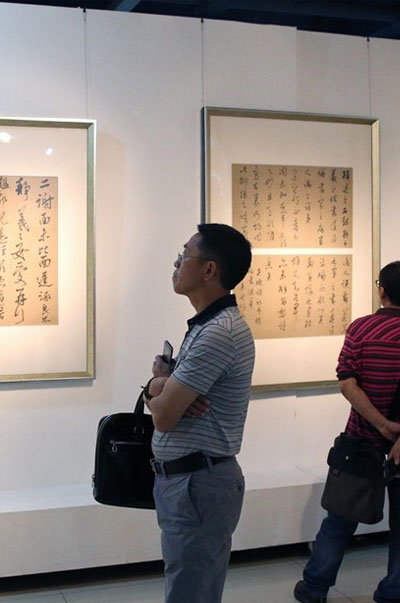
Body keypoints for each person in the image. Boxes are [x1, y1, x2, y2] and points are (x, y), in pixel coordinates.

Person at [294, 261, 400, 603]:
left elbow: (346, 381)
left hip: (361, 448)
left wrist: (380, 424)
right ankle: (393, 593)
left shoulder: (361, 329)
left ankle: (315, 588)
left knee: (338, 524)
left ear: (382, 290)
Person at [143, 223, 255, 603]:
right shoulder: (206, 325)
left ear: (209, 269)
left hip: (198, 485)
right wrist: (162, 386)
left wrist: (160, 388)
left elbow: (163, 417)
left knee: (190, 592)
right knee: (190, 586)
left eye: (184, 255)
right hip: (190, 482)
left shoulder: (218, 333)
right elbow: (163, 399)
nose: (177, 263)